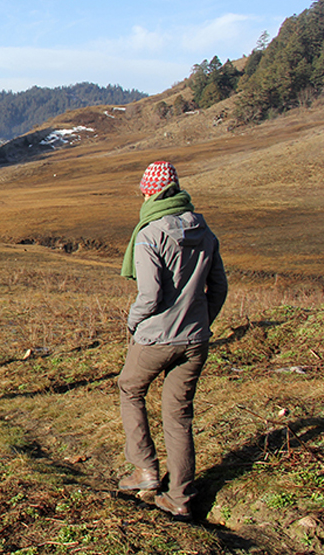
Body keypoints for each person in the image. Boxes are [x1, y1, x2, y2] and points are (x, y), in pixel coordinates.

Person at [117, 161, 228, 521]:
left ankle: (145, 471)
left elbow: (149, 295)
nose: (144, 194)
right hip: (195, 339)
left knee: (129, 388)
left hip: (156, 338)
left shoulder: (150, 233)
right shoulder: (204, 229)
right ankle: (179, 496)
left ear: (152, 191)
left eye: (145, 189)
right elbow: (219, 287)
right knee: (178, 415)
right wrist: (201, 322)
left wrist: (132, 323)